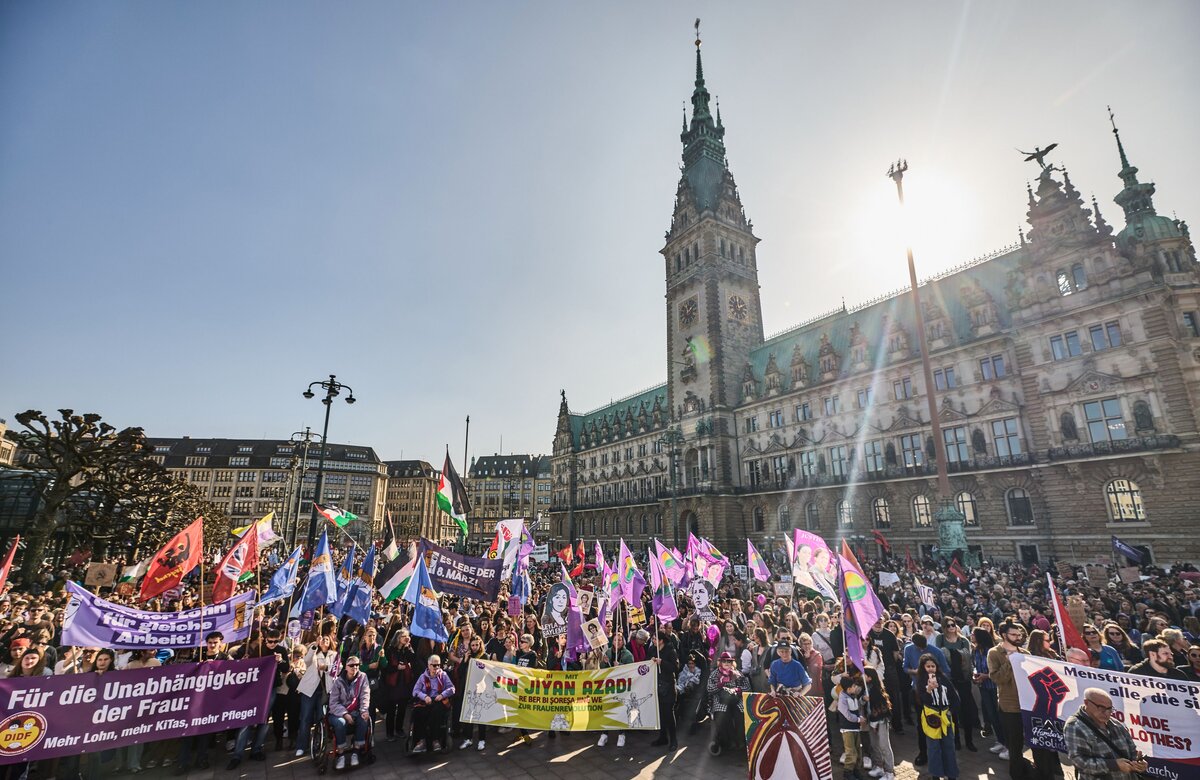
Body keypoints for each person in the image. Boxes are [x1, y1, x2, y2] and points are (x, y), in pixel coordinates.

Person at [1063, 688, 1147, 780]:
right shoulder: (1075, 726)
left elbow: (1132, 751)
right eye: (1101, 708)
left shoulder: (1117, 724)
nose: (1107, 713)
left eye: (1109, 709)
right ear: (1086, 703)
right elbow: (1080, 763)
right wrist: (1114, 765)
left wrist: (1139, 763)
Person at [988, 621, 1032, 780]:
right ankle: (1017, 775)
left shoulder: (1025, 653)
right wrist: (1009, 661)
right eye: (1014, 634)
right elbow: (997, 678)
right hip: (1009, 706)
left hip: (1028, 704)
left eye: (1019, 635)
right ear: (1004, 635)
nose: (1018, 637)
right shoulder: (994, 653)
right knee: (1015, 744)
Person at [935, 618, 978, 753]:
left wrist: (971, 675)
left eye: (953, 625)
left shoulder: (963, 641)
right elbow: (938, 658)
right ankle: (956, 740)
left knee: (966, 709)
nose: (951, 627)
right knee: (952, 710)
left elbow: (969, 660)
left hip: (963, 679)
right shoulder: (940, 639)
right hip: (948, 679)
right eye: (947, 626)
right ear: (944, 627)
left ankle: (969, 740)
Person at [918, 654, 960, 780]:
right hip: (931, 718)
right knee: (933, 748)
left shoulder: (944, 679)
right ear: (923, 667)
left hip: (946, 716)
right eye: (928, 666)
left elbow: (954, 697)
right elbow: (922, 700)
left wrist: (951, 711)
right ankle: (936, 774)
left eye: (933, 666)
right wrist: (929, 690)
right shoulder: (921, 681)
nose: (930, 668)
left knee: (949, 747)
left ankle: (952, 774)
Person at [294, 633, 337, 757]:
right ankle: (302, 746)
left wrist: (326, 667)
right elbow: (306, 661)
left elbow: (337, 669)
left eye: (327, 639)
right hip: (310, 690)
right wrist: (314, 647)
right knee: (305, 718)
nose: (324, 641)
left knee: (321, 718)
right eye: (322, 639)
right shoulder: (313, 651)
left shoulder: (333, 655)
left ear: (330, 642)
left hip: (325, 692)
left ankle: (317, 743)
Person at [327, 655, 371, 769]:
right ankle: (341, 753)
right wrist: (345, 714)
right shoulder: (338, 681)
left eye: (357, 665)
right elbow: (333, 703)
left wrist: (364, 710)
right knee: (340, 722)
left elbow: (365, 695)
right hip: (338, 713)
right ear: (346, 667)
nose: (354, 667)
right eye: (351, 665)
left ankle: (356, 751)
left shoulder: (363, 677)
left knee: (364, 718)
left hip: (356, 711)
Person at [706, 651, 749, 755]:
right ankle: (728, 742)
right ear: (720, 662)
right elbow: (709, 688)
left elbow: (747, 687)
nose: (726, 663)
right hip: (721, 700)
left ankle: (740, 741)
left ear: (732, 663)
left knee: (740, 715)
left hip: (736, 699)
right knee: (723, 716)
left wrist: (739, 690)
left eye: (729, 662)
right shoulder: (715, 674)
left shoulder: (737, 673)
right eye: (724, 661)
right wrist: (719, 686)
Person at [411, 655, 454, 754]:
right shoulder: (423, 677)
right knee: (418, 712)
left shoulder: (443, 675)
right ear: (428, 665)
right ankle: (421, 741)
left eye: (438, 665)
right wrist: (424, 697)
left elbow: (452, 688)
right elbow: (415, 691)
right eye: (434, 665)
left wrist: (443, 695)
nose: (436, 668)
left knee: (436, 712)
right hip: (426, 700)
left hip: (438, 700)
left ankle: (435, 740)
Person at [863, 666, 895, 780]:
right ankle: (878, 767)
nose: (862, 677)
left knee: (884, 745)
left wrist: (869, 699)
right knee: (874, 745)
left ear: (870, 677)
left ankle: (889, 772)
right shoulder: (865, 688)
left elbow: (883, 709)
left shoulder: (877, 690)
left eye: (864, 675)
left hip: (880, 721)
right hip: (871, 721)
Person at [650, 632, 680, 750]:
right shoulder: (653, 650)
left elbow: (675, 667)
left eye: (655, 638)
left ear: (662, 640)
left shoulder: (670, 651)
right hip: (656, 685)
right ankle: (663, 738)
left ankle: (673, 740)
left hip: (668, 687)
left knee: (668, 714)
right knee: (660, 714)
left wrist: (662, 662)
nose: (653, 640)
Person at [837, 672, 866, 780]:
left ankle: (856, 770)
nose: (856, 687)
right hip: (847, 729)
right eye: (854, 686)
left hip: (855, 728)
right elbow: (848, 715)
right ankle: (848, 772)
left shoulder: (853, 695)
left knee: (858, 751)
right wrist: (859, 719)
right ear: (849, 688)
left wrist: (862, 700)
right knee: (850, 752)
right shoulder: (843, 699)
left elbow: (857, 706)